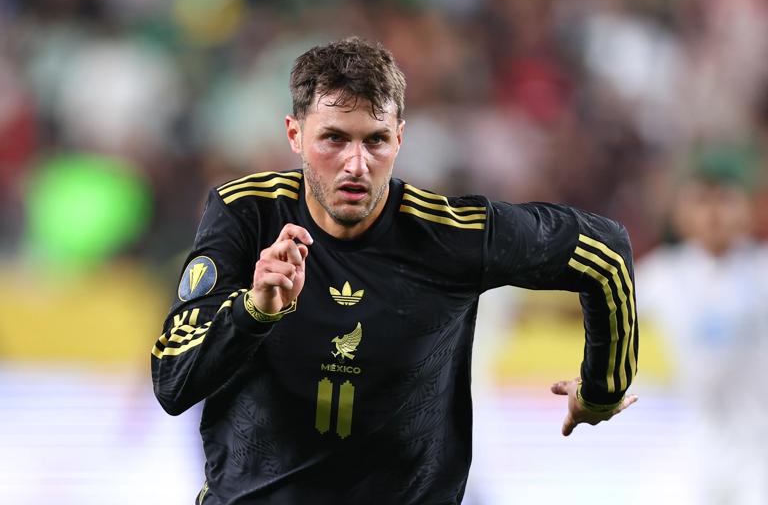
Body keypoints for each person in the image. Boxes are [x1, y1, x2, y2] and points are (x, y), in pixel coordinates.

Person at [151, 37, 638, 505]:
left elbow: (606, 251)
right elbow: (173, 383)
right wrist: (253, 311)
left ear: (400, 138)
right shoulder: (246, 213)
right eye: (334, 138)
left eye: (376, 140)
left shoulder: (450, 234)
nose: (356, 164)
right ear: (294, 134)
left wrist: (602, 389)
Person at [637, 153, 768, 505]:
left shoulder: (762, 271)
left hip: (759, 449)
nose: (713, 213)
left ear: (748, 209)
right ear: (681, 212)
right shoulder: (662, 275)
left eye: (725, 200)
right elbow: (595, 315)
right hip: (688, 448)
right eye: (701, 201)